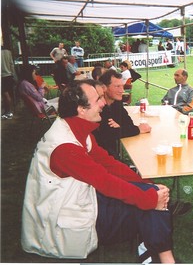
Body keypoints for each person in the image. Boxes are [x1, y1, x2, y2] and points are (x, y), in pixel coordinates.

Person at [21, 79, 175, 263]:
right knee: (148, 205)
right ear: (81, 109)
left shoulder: (73, 129)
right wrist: (150, 197)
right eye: (97, 100)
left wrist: (147, 185)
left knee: (148, 197)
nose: (103, 103)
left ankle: (157, 254)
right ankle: (163, 257)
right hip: (60, 225)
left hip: (78, 201)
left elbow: (109, 164)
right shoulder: (65, 148)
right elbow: (105, 182)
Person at [93, 70, 151, 160]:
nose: (122, 90)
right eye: (117, 87)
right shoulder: (97, 106)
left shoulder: (116, 101)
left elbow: (128, 123)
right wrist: (138, 129)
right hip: (100, 153)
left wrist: (119, 128)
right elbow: (108, 134)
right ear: (104, 88)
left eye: (122, 86)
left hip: (111, 149)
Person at [1, 47, 16, 119]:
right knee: (8, 94)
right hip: (9, 76)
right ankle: (8, 111)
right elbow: (11, 64)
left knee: (5, 95)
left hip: (2, 76)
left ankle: (8, 112)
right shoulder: (8, 52)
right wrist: (13, 75)